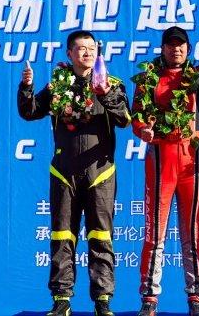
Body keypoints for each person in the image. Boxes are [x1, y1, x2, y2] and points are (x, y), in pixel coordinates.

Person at [130, 0, 199, 316]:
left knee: (191, 232)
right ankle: (149, 299)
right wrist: (143, 130)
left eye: (181, 45)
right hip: (159, 161)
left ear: (188, 49)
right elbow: (137, 116)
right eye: (170, 45)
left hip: (192, 162)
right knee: (154, 233)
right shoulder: (148, 79)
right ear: (162, 48)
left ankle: (196, 298)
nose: (176, 49)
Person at [18, 30, 131, 316]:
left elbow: (124, 119)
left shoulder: (112, 84)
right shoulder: (58, 86)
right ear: (69, 54)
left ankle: (102, 300)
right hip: (64, 172)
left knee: (100, 235)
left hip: (100, 173)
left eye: (91, 48)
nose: (87, 53)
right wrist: (27, 87)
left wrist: (106, 94)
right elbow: (30, 112)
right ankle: (61, 300)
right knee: (61, 235)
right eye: (81, 48)